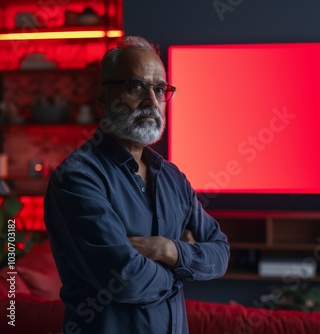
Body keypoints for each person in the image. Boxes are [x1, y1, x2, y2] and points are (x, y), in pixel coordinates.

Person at [44, 36, 230, 334]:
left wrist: (170, 251)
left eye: (159, 89)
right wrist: (182, 272)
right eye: (137, 87)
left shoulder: (173, 178)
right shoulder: (77, 178)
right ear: (103, 97)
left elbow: (220, 253)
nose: (152, 101)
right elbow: (126, 278)